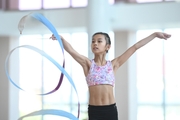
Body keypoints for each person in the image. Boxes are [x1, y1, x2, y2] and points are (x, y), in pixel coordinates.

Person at [50, 32, 171, 120]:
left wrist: (154, 35)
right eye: (93, 41)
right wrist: (61, 39)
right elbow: (72, 51)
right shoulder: (87, 64)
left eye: (99, 41)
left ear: (107, 46)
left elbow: (135, 47)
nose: (95, 43)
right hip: (94, 111)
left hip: (110, 111)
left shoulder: (114, 65)